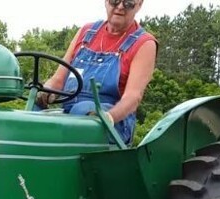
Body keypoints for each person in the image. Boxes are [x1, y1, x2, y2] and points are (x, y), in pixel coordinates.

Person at [36, 0, 157, 144]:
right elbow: (58, 80)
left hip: (113, 121)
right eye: (114, 1)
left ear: (139, 4)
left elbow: (132, 98)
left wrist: (109, 116)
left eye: (128, 3)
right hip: (69, 114)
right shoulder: (86, 32)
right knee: (32, 111)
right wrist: (46, 91)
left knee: (82, 110)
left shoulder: (144, 43)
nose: (119, 7)